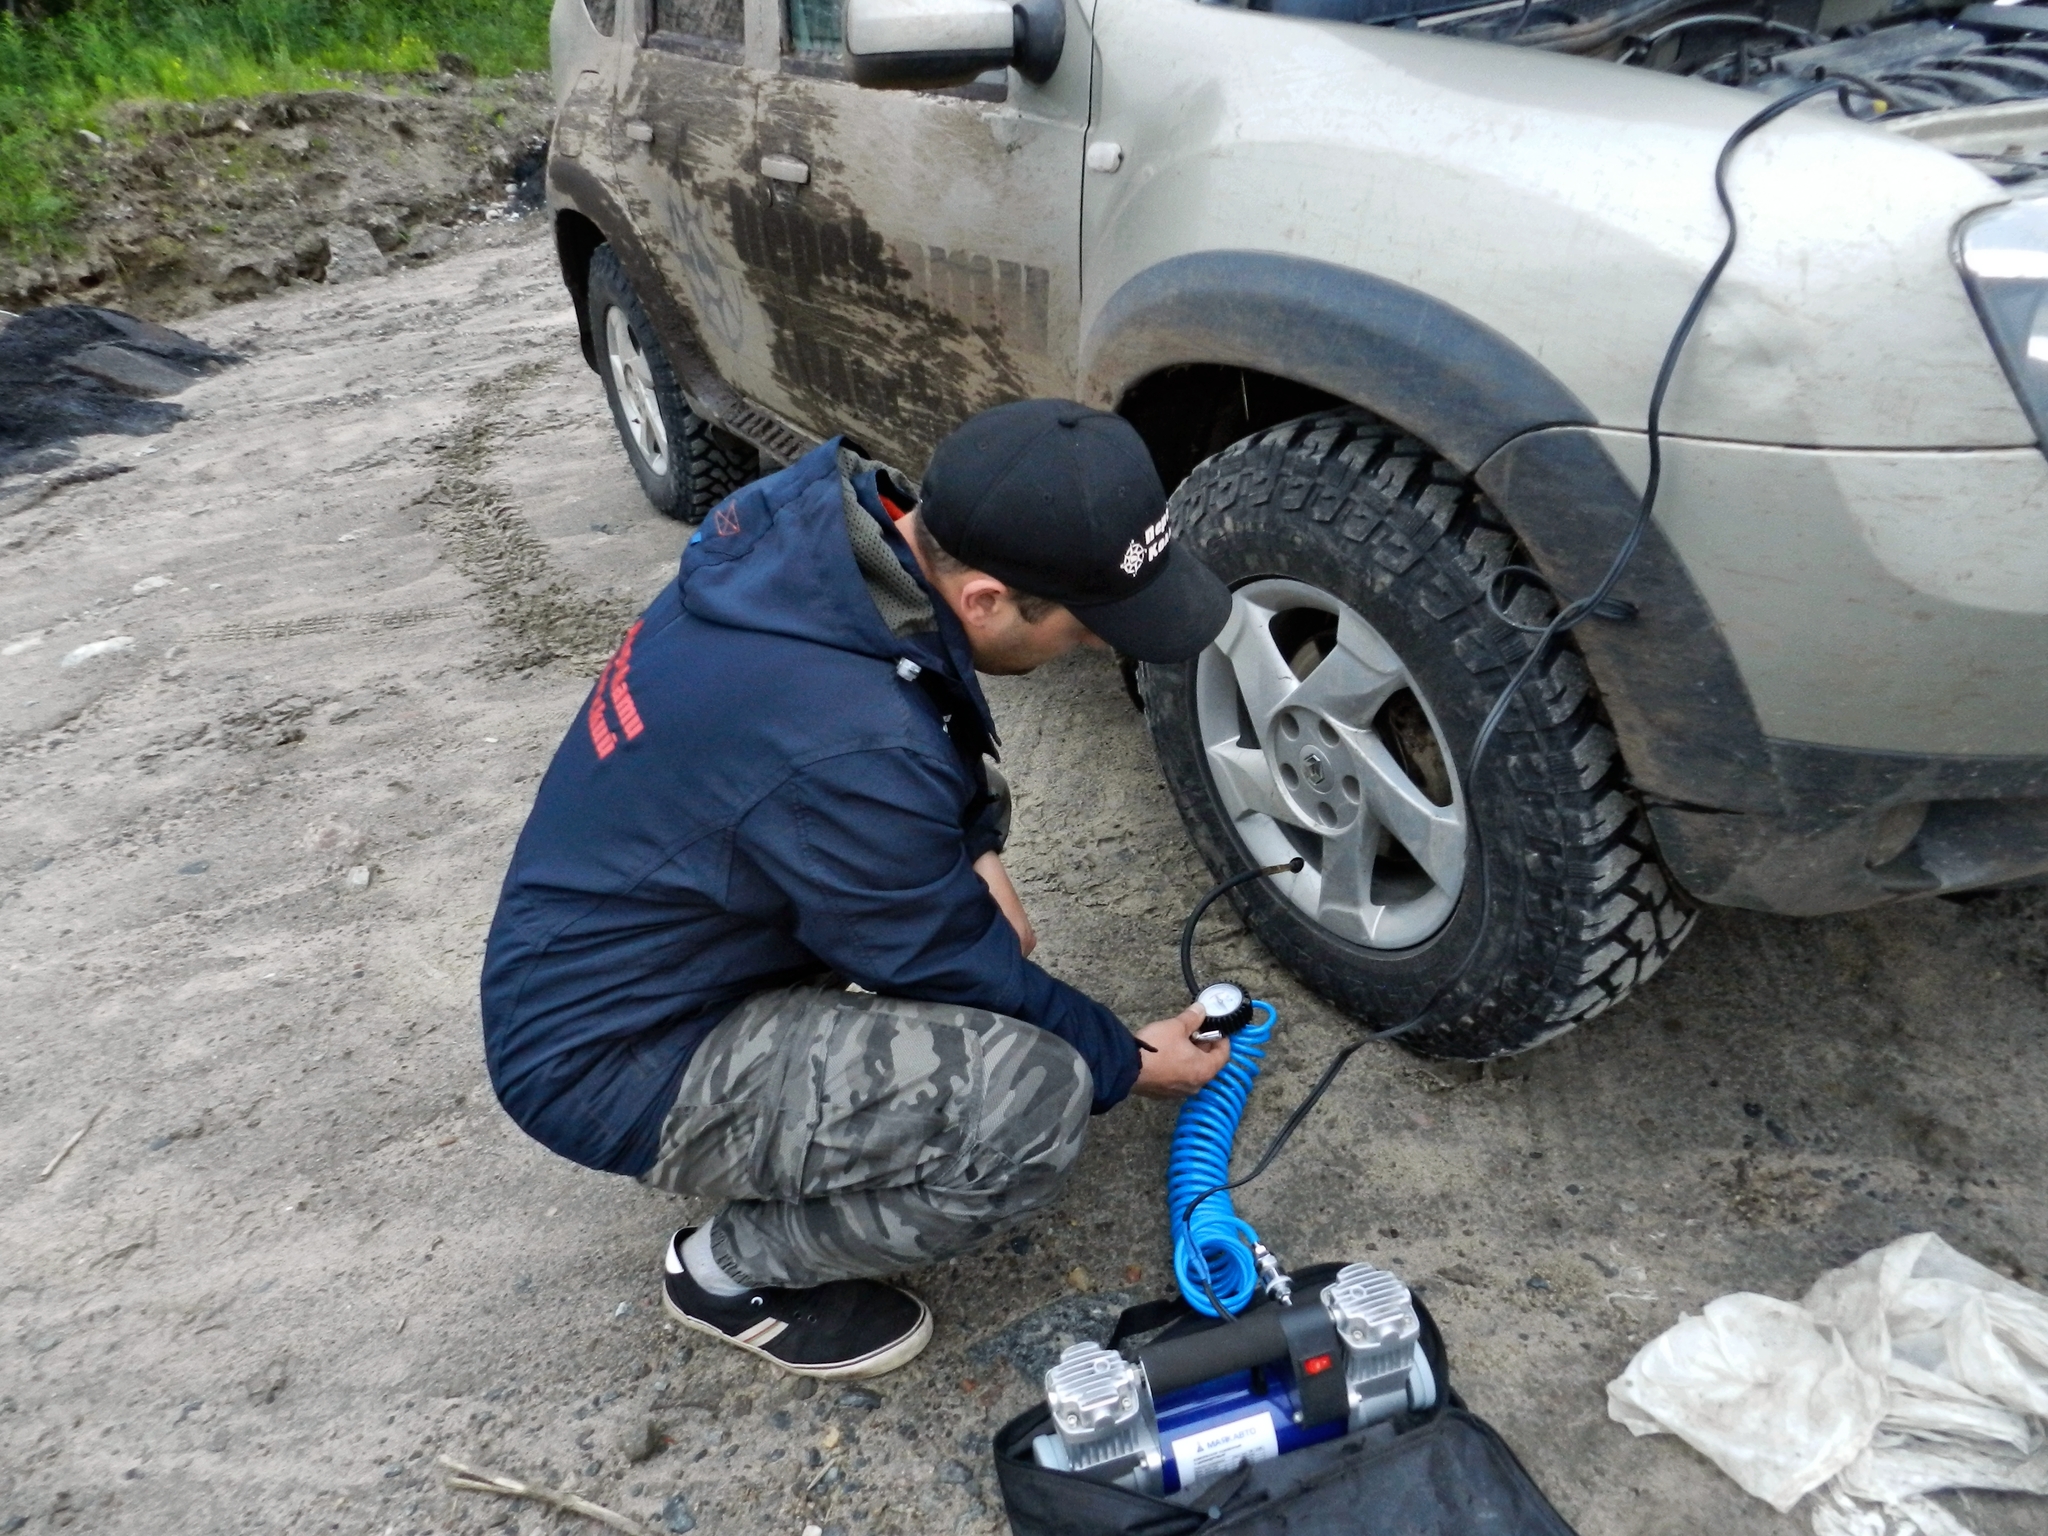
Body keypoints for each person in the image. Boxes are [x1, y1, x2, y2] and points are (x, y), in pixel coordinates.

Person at [481, 399, 1235, 1380]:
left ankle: (780, 1113)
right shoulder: (852, 745)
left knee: (984, 935)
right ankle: (726, 1273)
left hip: (631, 955)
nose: (1096, 647)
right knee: (1033, 1098)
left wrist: (970, 847)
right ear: (986, 600)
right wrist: (1128, 1061)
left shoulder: (820, 543)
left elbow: (918, 693)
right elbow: (947, 959)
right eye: (1088, 633)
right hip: (606, 1058)